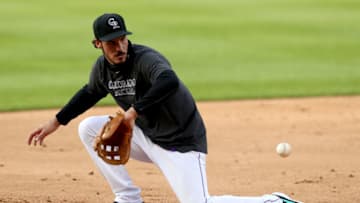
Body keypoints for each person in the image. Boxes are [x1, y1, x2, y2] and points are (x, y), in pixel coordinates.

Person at [28, 13, 301, 203]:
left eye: (122, 38)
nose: (119, 46)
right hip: (147, 137)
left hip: (180, 143)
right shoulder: (102, 68)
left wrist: (133, 111)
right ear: (97, 44)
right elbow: (90, 92)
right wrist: (55, 121)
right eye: (111, 41)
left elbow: (168, 79)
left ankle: (274, 201)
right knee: (88, 128)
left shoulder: (145, 59)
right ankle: (127, 197)